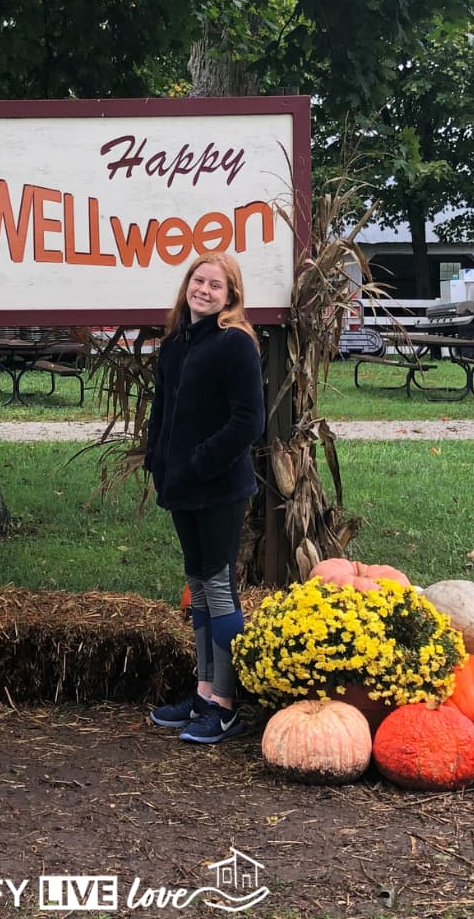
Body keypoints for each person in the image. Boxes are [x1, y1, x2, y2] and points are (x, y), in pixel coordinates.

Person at [143, 252, 265, 744]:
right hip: (182, 488)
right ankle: (202, 692)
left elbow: (248, 422)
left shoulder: (236, 345)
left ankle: (226, 704)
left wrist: (198, 463)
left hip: (218, 487)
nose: (205, 290)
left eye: (217, 285)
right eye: (199, 280)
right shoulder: (176, 345)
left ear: (230, 296)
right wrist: (159, 461)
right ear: (187, 286)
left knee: (218, 589)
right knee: (197, 587)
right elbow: (162, 411)